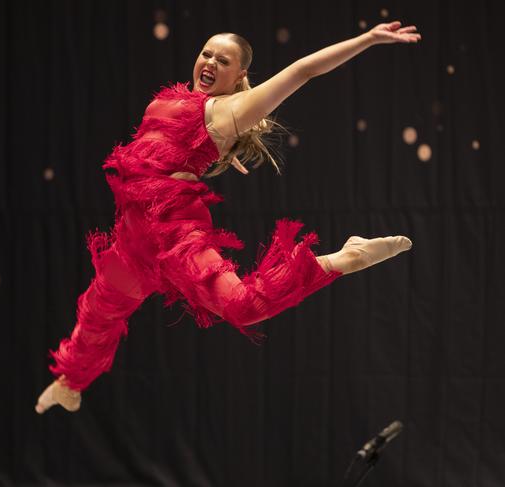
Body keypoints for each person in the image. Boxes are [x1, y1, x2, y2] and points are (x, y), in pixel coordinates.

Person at [35, 20, 421, 414]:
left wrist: (368, 38)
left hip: (174, 232)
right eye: (207, 54)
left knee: (241, 307)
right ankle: (70, 384)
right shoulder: (176, 100)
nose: (210, 62)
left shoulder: (228, 110)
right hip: (135, 238)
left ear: (240, 77)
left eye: (224, 60)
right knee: (98, 312)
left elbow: (304, 69)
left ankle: (345, 257)